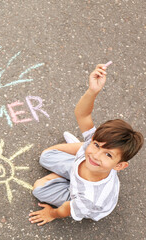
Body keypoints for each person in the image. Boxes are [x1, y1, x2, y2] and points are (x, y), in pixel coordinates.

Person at [29, 64, 144, 226]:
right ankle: (80, 150)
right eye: (97, 145)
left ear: (119, 166)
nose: (96, 154)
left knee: (39, 188)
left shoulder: (91, 198)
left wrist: (51, 214)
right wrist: (93, 90)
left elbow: (65, 210)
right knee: (46, 156)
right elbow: (82, 115)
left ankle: (72, 167)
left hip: (81, 195)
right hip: (82, 172)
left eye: (108, 154)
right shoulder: (95, 153)